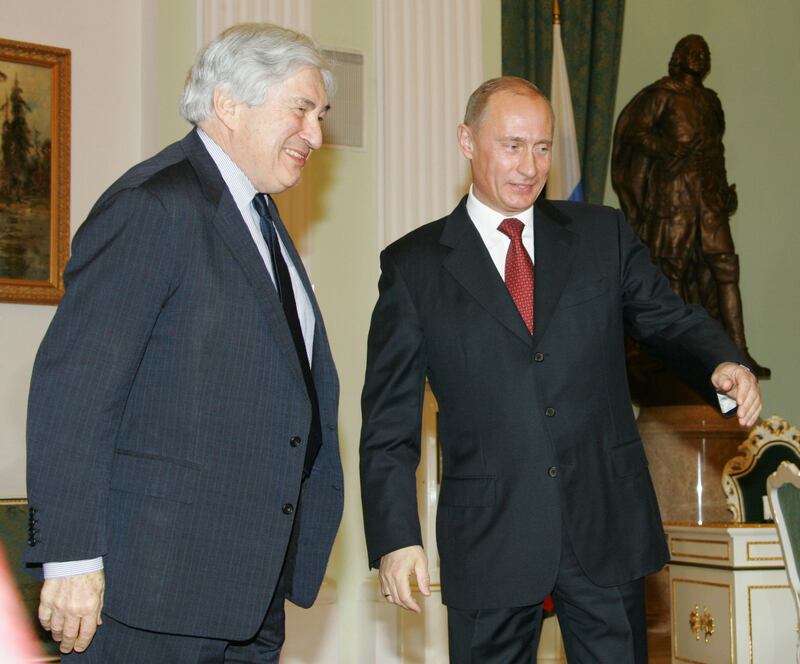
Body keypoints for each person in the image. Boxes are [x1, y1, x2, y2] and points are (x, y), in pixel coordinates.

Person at [360, 76, 761, 664]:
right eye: (513, 145)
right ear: (467, 141)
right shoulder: (414, 268)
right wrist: (396, 538)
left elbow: (668, 318)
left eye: (543, 147)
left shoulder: (602, 236)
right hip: (491, 539)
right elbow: (388, 424)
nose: (530, 166)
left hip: (605, 527)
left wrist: (722, 360)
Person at [25, 23, 343, 663]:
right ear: (229, 104)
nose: (315, 133)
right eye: (301, 109)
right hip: (153, 595)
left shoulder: (259, 215)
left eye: (320, 114)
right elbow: (73, 392)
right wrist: (68, 558)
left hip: (247, 590)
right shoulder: (154, 205)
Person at [612, 34, 768, 377]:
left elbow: (716, 148)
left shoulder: (710, 101)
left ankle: (738, 350)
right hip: (674, 195)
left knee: (725, 267)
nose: (699, 57)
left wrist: (724, 188)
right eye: (692, 52)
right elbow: (633, 133)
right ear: (678, 56)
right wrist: (666, 149)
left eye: (704, 52)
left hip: (709, 196)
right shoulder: (661, 95)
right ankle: (674, 351)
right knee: (673, 269)